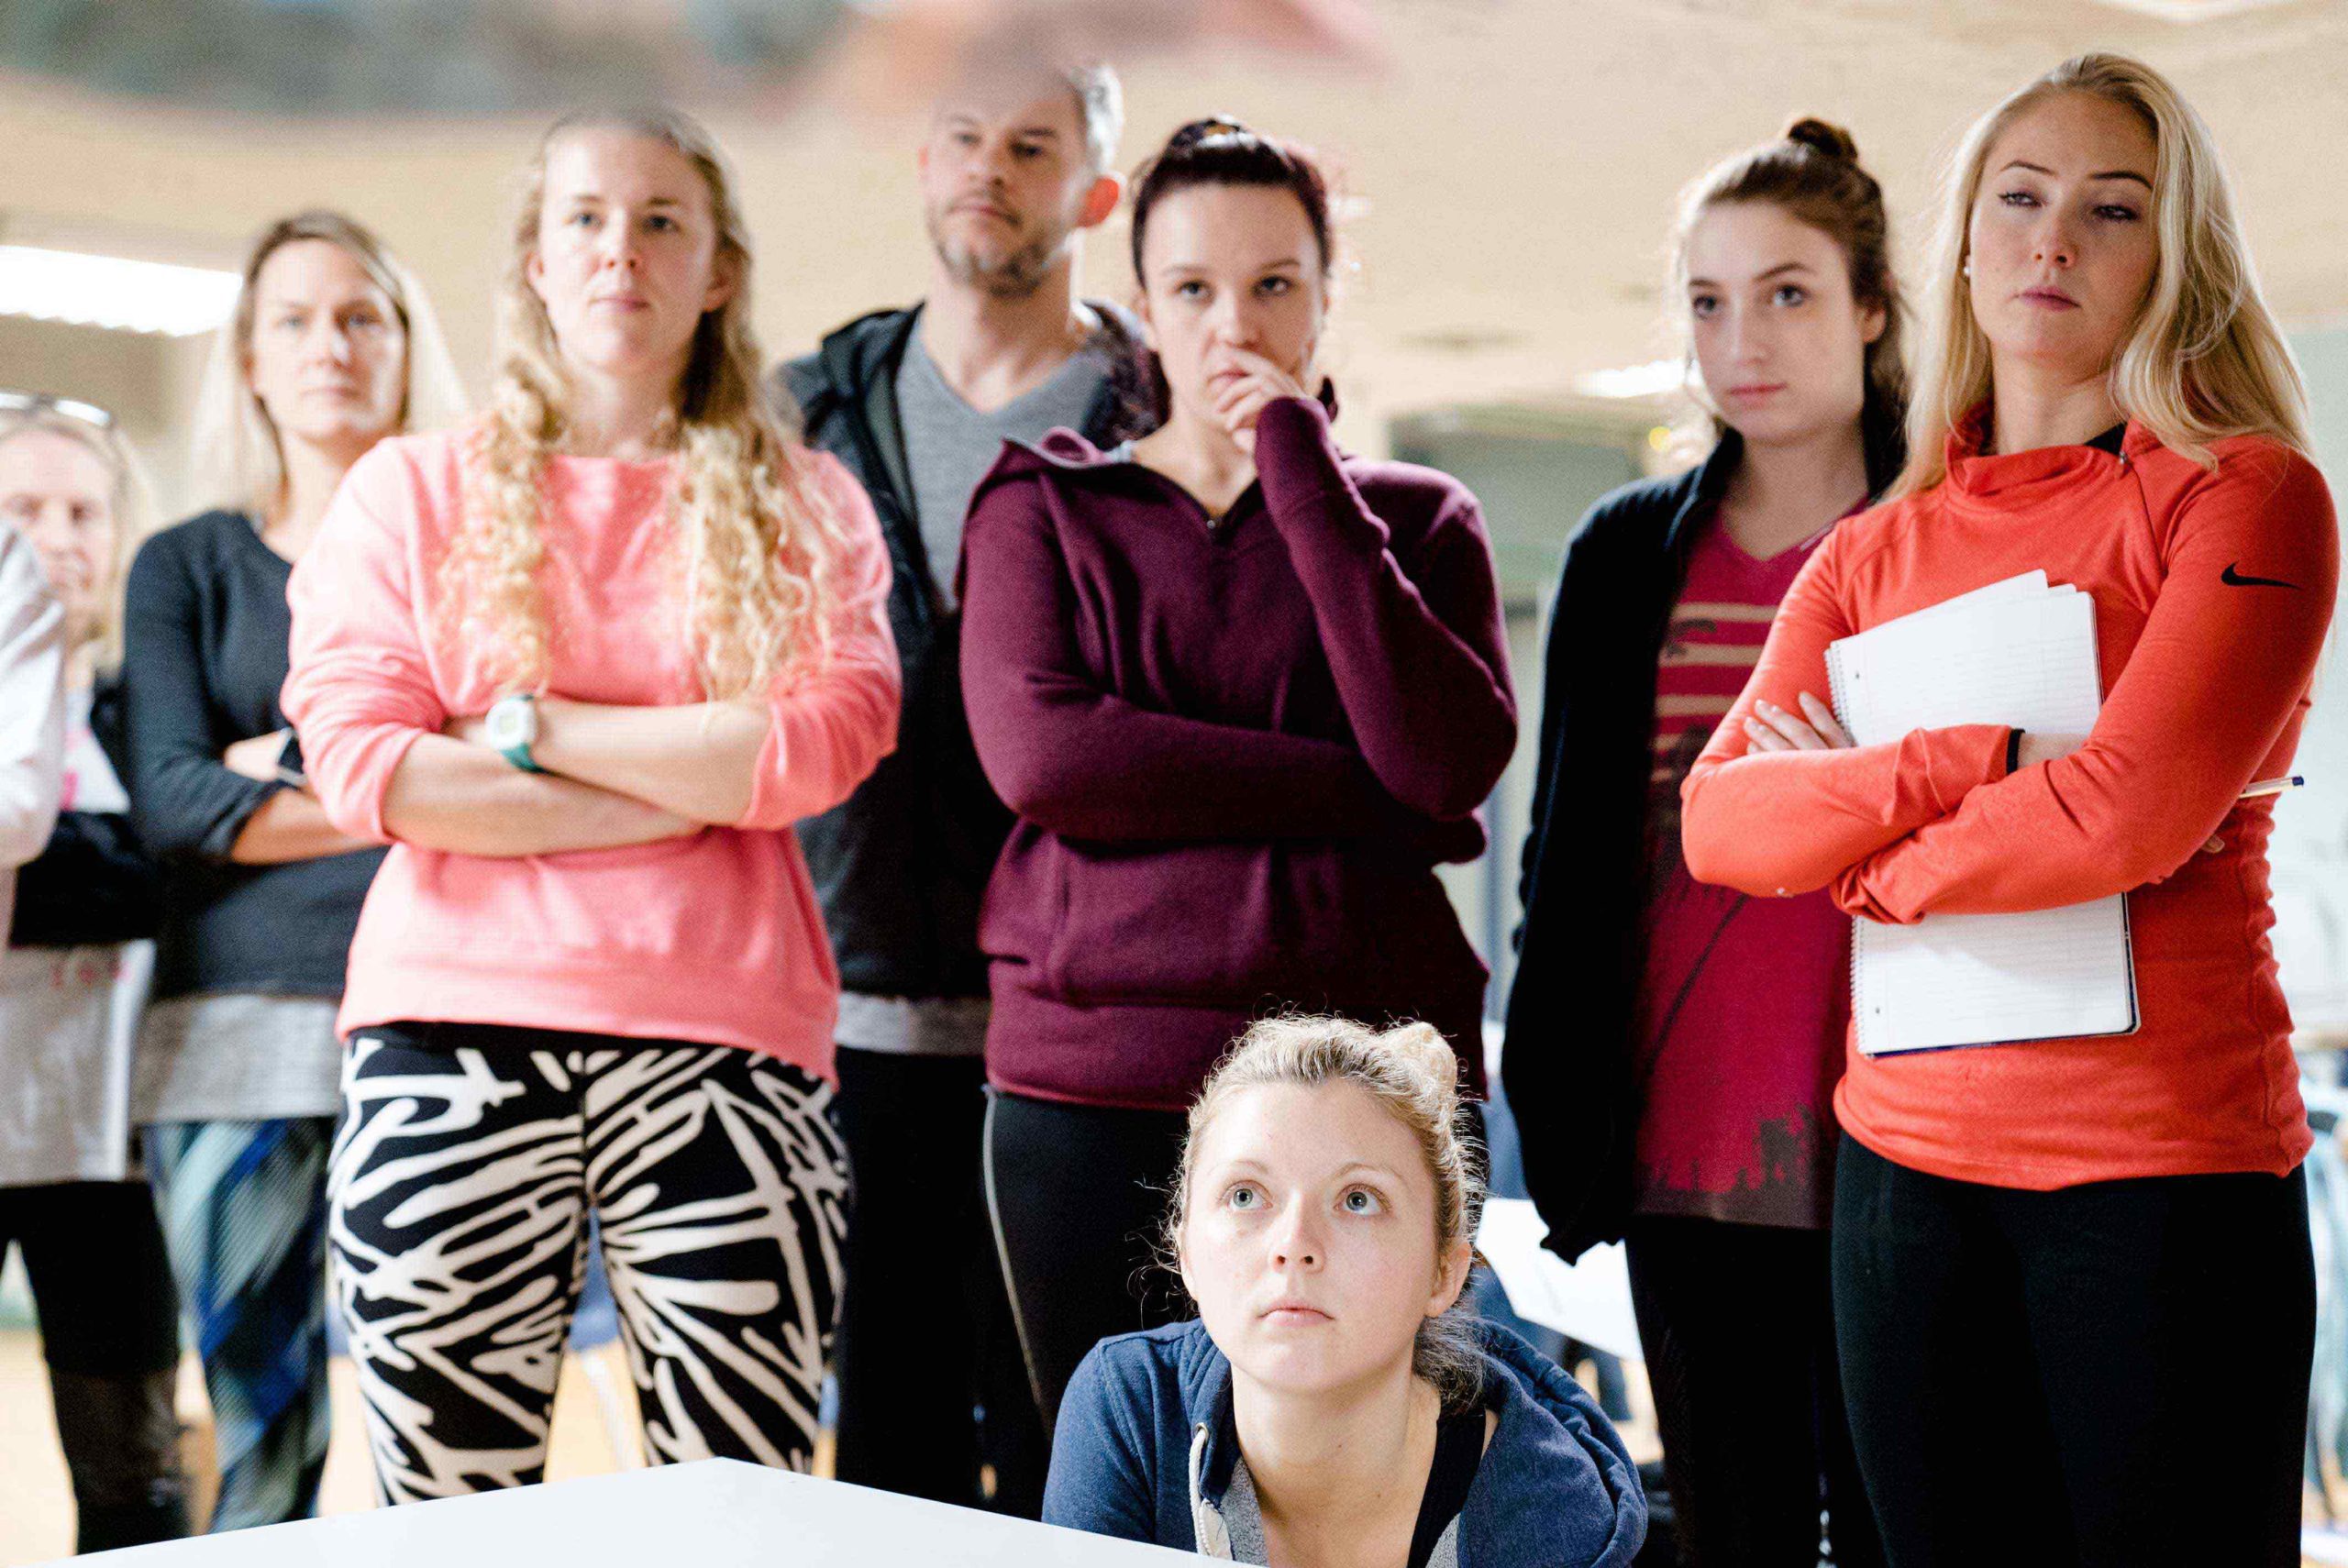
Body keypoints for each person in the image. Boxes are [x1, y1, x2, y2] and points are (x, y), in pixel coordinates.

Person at [1678, 53, 2335, 1568]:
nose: (2054, 239)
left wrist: (1868, 861)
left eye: (2113, 209)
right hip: (1903, 1189)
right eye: (2020, 199)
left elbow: (2127, 816)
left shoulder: (2242, 496)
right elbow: (1724, 829)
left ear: (2175, 260)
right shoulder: (1868, 551)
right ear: (1964, 247)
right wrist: (1944, 769)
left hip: (2161, 1187)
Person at [282, 108, 898, 1501]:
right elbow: (369, 766)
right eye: (585, 218)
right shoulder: (409, 493)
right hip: (447, 1042)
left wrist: (528, 729)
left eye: (663, 219)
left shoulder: (806, 504)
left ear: (719, 270)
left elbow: (820, 744)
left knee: (733, 1512)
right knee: (448, 1512)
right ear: (536, 261)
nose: (622, 247)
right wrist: (685, 783)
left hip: (728, 1048)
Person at [960, 116, 1516, 1430]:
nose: (1236, 328)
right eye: (1196, 290)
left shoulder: (1423, 521)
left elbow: (1439, 760)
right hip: (1094, 1084)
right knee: (1117, 1496)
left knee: (1370, 1493)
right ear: (1141, 306)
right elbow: (1051, 762)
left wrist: (1304, 471)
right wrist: (1358, 794)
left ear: (1328, 296)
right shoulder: (1040, 508)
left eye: (1275, 287)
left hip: (1368, 1081)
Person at [1501, 120, 1899, 1568]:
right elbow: (1563, 858)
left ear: (1871, 306)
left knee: (1901, 1525)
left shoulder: (1942, 529)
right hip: (1684, 1143)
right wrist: (1554, 1107)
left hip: (1904, 1140)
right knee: (1733, 1534)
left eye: (1790, 292)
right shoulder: (1621, 553)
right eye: (1710, 300)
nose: (1745, 338)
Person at [775, 59, 1144, 1514]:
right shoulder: (814, 404)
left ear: (1095, 192)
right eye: (966, 137)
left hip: (1085, 1031)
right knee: (884, 1449)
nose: (991, 167)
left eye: (1035, 145)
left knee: (1079, 1451)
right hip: (849, 1014)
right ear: (923, 163)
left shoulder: (1151, 411)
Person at [121, 210, 463, 1529]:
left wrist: (273, 763)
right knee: (260, 1447)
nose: (331, 344)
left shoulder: (463, 561)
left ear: (404, 343)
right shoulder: (187, 568)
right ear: (250, 360)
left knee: (441, 1437)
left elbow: (522, 761)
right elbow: (170, 801)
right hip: (231, 1038)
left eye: (362, 314)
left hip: (442, 1025)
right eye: (296, 319)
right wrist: (411, 773)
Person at [1046, 1015, 1645, 1567]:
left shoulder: (1549, 1513)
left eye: (1358, 1200)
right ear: (1187, 1257)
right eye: (1246, 1195)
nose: (1294, 1243)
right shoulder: (1129, 1413)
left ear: (1445, 1273)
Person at [0, 395, 188, 1550]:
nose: (55, 535)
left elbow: (175, 867)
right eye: (21, 507)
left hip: (109, 1149)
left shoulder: (143, 701)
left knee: (133, 1477)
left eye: (82, 510)